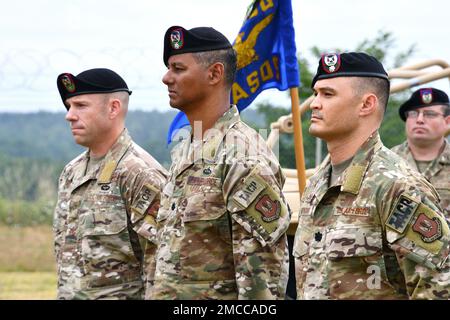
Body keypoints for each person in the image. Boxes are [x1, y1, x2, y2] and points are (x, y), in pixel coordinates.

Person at [293, 52, 450, 299]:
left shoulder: (397, 186)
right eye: (315, 93)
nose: (314, 103)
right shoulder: (317, 185)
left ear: (366, 104)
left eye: (328, 94)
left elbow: (438, 289)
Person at [151, 26, 290, 300]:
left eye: (178, 69)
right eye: (169, 68)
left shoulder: (242, 156)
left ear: (214, 74)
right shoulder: (188, 150)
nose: (166, 78)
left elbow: (261, 283)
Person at [54, 68, 167, 299]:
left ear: (113, 108)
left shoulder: (139, 173)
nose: (70, 115)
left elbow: (161, 270)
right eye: (69, 106)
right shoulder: (72, 172)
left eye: (81, 106)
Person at [391, 88, 450, 219]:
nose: (419, 120)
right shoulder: (386, 162)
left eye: (429, 114)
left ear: (447, 121)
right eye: (413, 114)